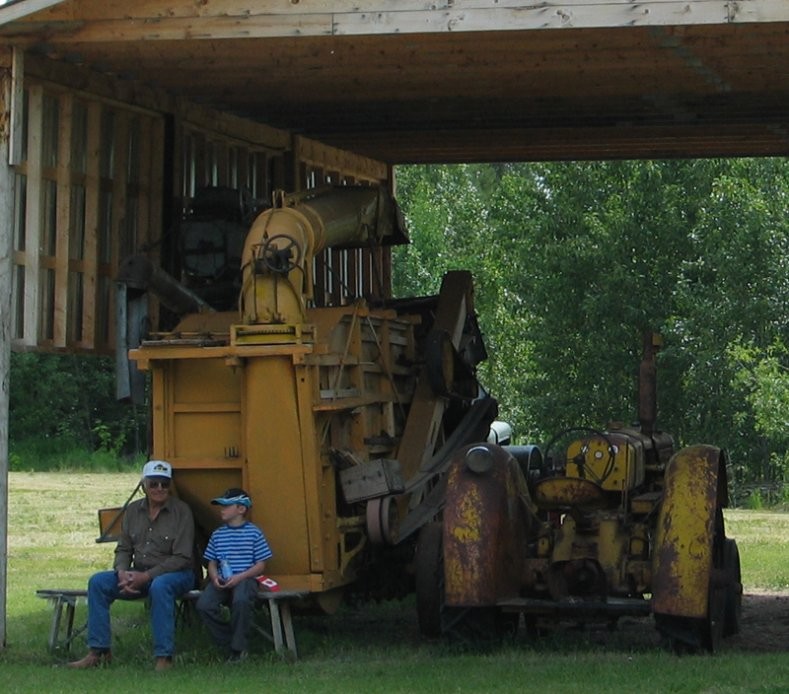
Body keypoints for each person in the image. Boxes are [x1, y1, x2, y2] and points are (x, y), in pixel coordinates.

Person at [68, 460, 195, 671]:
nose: (160, 489)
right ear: (144, 484)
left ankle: (164, 657)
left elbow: (182, 557)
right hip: (138, 573)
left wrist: (146, 577)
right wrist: (122, 573)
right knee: (98, 582)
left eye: (165, 484)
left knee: (160, 586)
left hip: (177, 574)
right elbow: (124, 549)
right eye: (154, 483)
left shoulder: (182, 512)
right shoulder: (133, 511)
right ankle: (98, 652)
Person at [196, 487, 273, 661]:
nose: (221, 509)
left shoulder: (254, 533)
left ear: (241, 509)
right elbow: (212, 562)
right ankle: (229, 640)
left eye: (226, 505)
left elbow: (261, 564)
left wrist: (240, 577)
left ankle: (239, 650)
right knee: (204, 605)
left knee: (241, 601)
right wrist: (214, 577)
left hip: (246, 579)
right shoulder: (218, 534)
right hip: (223, 580)